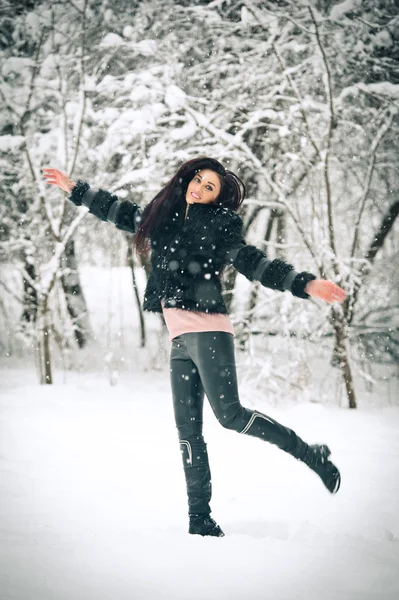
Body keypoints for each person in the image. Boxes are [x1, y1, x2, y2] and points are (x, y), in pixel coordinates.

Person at [42, 157, 346, 538]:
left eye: (209, 187)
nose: (198, 188)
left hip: (208, 331)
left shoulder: (221, 225)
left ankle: (309, 454)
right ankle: (199, 519)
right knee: (187, 432)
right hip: (179, 338)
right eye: (198, 180)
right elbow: (117, 211)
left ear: (218, 198)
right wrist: (75, 189)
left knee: (231, 416)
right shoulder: (161, 217)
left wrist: (305, 284)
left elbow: (253, 262)